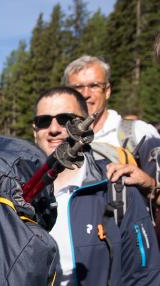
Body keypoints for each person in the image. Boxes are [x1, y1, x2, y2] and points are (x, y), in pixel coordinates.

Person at [18, 86, 160, 286]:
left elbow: (145, 283)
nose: (54, 128)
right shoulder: (16, 197)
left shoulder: (115, 191)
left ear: (87, 126)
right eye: (44, 120)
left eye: (67, 119)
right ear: (35, 130)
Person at [62, 55, 160, 205]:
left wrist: (149, 184)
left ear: (107, 90)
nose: (86, 94)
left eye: (94, 86)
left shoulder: (140, 133)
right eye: (77, 87)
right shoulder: (57, 139)